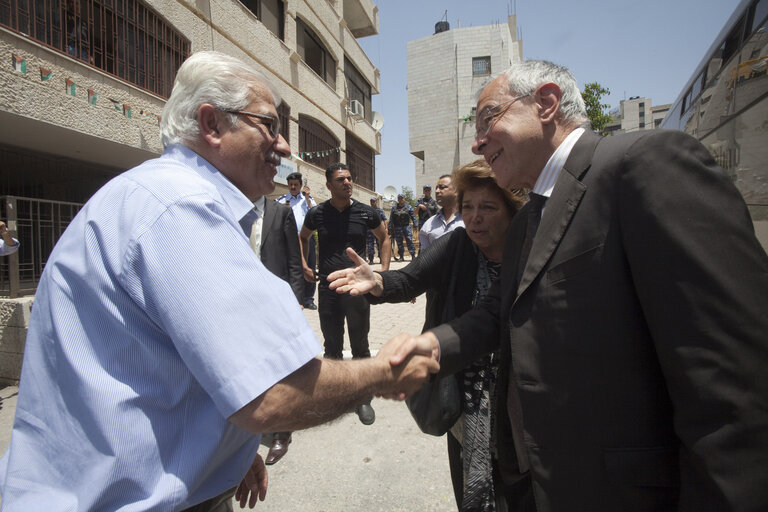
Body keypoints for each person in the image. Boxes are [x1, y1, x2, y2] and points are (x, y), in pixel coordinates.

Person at [0, 51, 438, 511]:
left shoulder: (158, 196)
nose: (285, 147)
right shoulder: (179, 207)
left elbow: (170, 361)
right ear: (212, 124)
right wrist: (385, 372)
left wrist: (223, 448)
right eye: (268, 125)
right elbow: (272, 395)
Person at [389, 60, 768, 511]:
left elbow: (733, 385)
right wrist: (430, 348)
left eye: (489, 118)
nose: (478, 140)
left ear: (546, 103)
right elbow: (497, 315)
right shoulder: (530, 217)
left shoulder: (644, 164)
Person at [328, 160, 525, 511]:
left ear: (511, 211)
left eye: (488, 208)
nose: (475, 217)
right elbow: (410, 279)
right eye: (468, 207)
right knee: (472, 482)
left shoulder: (528, 254)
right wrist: (378, 282)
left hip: (519, 396)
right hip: (464, 394)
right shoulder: (456, 246)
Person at [299, 163, 391, 425]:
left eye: (350, 178)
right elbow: (303, 237)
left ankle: (363, 398)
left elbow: (384, 237)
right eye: (341, 180)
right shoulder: (316, 214)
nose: (347, 183)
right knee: (332, 345)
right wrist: (305, 264)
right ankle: (336, 397)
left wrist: (382, 273)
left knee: (360, 343)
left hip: (357, 287)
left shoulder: (366, 212)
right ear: (329, 185)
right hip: (328, 287)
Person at [253, 197, 303, 466]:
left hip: (276, 301)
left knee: (281, 367)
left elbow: (294, 260)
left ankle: (281, 432)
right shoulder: (225, 206)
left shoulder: (280, 212)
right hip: (241, 302)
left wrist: (295, 300)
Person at [275, 172, 318, 310]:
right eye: (290, 185)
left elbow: (315, 213)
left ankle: (308, 298)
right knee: (292, 268)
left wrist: (306, 199)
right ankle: (293, 297)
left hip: (307, 238)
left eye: (295, 185)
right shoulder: (281, 201)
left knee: (310, 267)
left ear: (300, 185)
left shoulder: (307, 200)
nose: (293, 187)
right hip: (289, 240)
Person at [418, 174, 464, 252]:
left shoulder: (469, 220)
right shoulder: (428, 225)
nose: (437, 191)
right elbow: (424, 260)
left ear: (456, 191)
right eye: (436, 188)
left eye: (442, 187)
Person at [389, 193, 417, 262]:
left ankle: (413, 255)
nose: (400, 199)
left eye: (402, 198)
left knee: (409, 240)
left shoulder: (408, 207)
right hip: (397, 227)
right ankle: (401, 256)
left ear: (404, 199)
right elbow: (391, 218)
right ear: (398, 199)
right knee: (399, 242)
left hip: (406, 226)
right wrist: (390, 227)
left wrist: (415, 224)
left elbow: (413, 216)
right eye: (399, 198)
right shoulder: (394, 208)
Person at [366, 196, 387, 264]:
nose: (372, 203)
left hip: (378, 230)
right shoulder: (367, 210)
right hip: (370, 231)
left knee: (379, 244)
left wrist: (386, 228)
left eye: (374, 201)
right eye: (371, 201)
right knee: (370, 245)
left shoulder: (380, 210)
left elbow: (385, 219)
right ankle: (371, 259)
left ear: (376, 202)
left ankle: (381, 259)